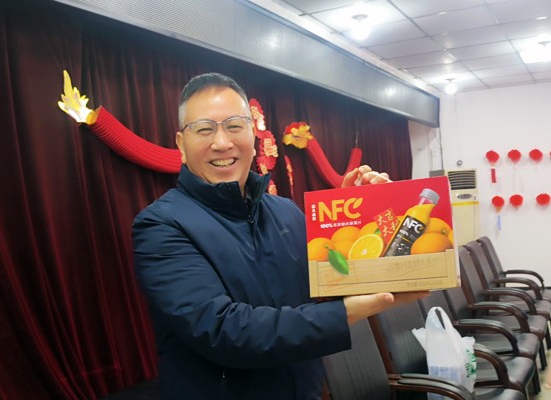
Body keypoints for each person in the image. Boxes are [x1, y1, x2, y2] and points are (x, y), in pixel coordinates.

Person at [131, 72, 429, 400]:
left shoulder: (286, 211)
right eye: (204, 129)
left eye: (234, 126)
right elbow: (224, 331)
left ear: (253, 134)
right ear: (181, 145)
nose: (222, 142)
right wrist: (348, 312)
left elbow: (326, 290)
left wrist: (354, 220)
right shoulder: (161, 226)